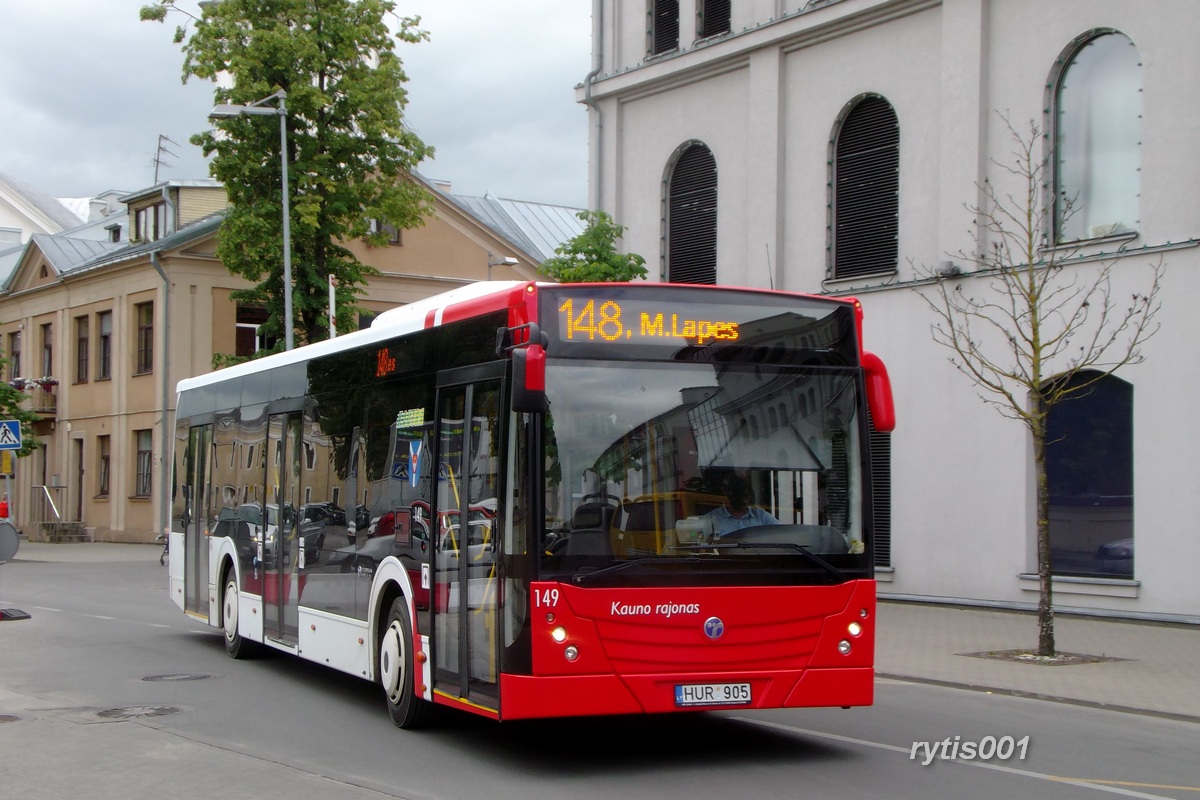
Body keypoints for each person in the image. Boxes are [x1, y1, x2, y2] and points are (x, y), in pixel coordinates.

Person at [706, 474, 779, 537]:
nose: (741, 499)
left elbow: (782, 532)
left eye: (744, 495)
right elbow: (696, 542)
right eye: (737, 495)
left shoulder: (761, 516)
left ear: (750, 496)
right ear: (727, 495)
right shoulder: (711, 519)